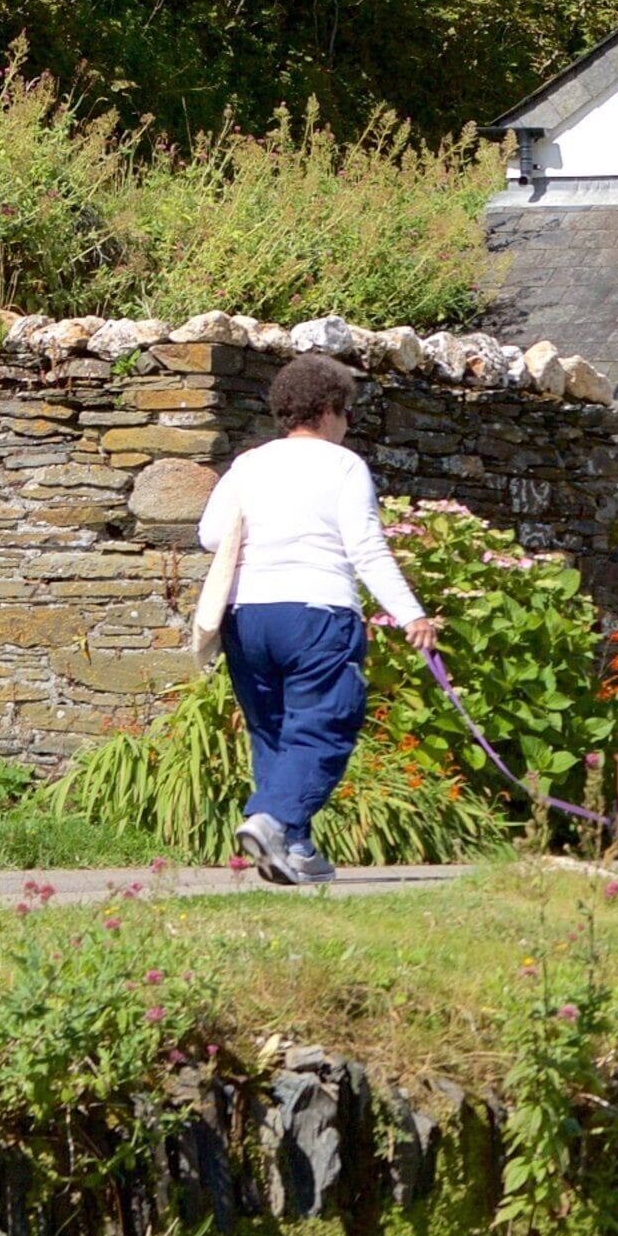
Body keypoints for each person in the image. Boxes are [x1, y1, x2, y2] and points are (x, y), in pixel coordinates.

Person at [196, 353, 441, 884]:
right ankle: (274, 820)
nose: (348, 423)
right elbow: (367, 549)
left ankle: (296, 851)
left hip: (248, 614)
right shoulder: (343, 466)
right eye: (347, 412)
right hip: (318, 612)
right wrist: (411, 615)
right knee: (326, 725)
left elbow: (211, 536)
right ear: (329, 410)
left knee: (275, 732)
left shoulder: (249, 464)